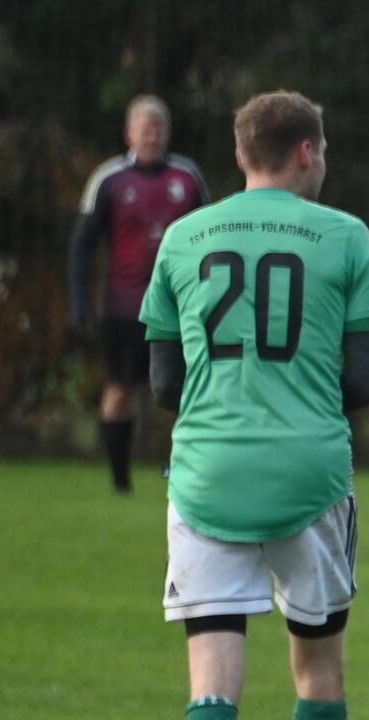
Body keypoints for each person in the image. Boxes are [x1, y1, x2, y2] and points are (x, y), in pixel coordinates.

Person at [139, 90, 369, 720]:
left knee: (213, 669)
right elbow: (363, 380)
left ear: (243, 154)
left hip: (208, 472)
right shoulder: (346, 235)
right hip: (310, 475)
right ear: (307, 152)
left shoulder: (182, 235)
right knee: (316, 660)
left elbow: (164, 381)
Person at [71, 95, 209, 493]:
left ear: (168, 134)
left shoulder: (187, 177)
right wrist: (80, 300)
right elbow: (82, 245)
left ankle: (183, 471)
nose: (152, 136)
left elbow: (214, 236)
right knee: (119, 390)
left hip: (181, 304)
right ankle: (120, 481)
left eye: (159, 129)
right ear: (129, 133)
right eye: (145, 128)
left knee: (190, 389)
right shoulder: (109, 179)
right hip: (124, 305)